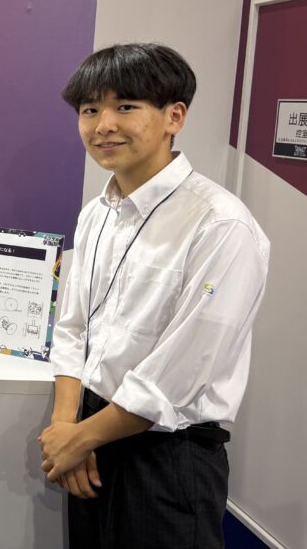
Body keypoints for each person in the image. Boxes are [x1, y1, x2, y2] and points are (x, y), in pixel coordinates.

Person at [39, 43, 269, 549]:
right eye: (89, 109)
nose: (103, 125)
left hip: (167, 454)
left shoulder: (220, 224)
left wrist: (79, 437)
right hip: (89, 437)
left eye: (125, 106)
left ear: (174, 117)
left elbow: (183, 369)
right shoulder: (97, 213)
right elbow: (74, 327)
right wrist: (65, 426)